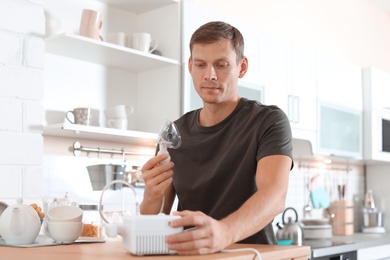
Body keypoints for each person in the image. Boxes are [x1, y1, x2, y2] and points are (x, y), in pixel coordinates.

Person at [140, 21, 293, 255]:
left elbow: (274, 197)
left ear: (242, 67)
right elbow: (154, 219)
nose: (210, 75)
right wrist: (151, 194)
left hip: (252, 256)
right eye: (200, 64)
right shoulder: (174, 132)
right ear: (190, 66)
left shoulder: (268, 121)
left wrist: (224, 232)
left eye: (221, 65)